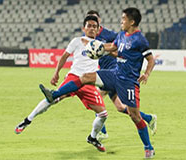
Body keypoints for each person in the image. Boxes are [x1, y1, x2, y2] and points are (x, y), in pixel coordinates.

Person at [39, 8, 156, 158]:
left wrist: (146, 74)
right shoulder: (121, 35)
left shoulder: (139, 40)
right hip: (114, 74)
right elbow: (112, 47)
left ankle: (148, 147)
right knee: (85, 77)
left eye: (123, 19)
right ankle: (54, 94)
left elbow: (151, 59)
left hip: (128, 81)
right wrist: (96, 47)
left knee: (134, 116)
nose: (121, 21)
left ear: (132, 22)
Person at [15, 16, 108, 152]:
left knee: (103, 114)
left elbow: (114, 53)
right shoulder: (76, 41)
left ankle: (92, 137)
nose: (92, 28)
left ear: (99, 29)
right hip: (73, 77)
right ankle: (27, 120)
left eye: (95, 26)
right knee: (53, 99)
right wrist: (56, 73)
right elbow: (64, 56)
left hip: (89, 82)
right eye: (89, 25)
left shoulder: (100, 46)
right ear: (84, 28)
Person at [86, 10, 157, 141]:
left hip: (116, 71)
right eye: (89, 23)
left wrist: (103, 51)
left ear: (99, 21)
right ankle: (148, 118)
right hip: (108, 71)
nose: (92, 25)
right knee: (120, 107)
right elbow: (107, 49)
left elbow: (121, 51)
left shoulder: (111, 34)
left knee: (97, 96)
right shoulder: (92, 37)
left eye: (95, 21)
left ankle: (101, 132)